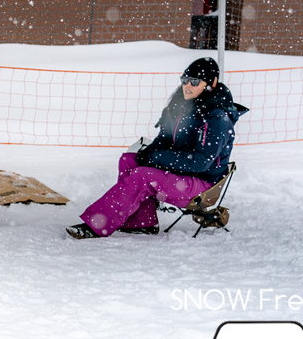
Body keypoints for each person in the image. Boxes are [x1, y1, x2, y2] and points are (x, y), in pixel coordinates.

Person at [66, 57, 248, 239]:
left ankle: (97, 224)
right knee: (129, 160)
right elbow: (164, 140)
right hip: (182, 175)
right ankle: (141, 222)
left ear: (211, 83)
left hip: (203, 185)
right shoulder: (181, 107)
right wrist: (149, 153)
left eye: (195, 81)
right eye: (185, 80)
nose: (188, 86)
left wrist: (157, 158)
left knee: (143, 176)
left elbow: (200, 163)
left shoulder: (217, 118)